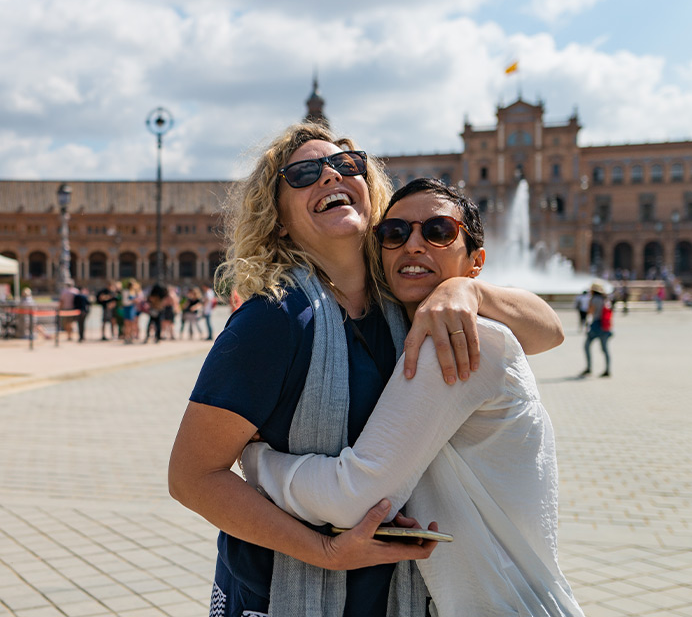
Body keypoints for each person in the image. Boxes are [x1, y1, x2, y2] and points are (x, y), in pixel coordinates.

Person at [168, 123, 564, 617]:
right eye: (304, 174)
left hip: (395, 595)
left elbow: (548, 331)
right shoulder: (273, 319)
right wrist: (323, 553)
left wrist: (469, 290)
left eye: (346, 165)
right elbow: (191, 477)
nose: (330, 174)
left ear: (371, 198)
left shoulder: (407, 309)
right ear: (279, 221)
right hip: (286, 590)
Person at [241, 178, 584, 616]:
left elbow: (353, 496)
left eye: (439, 231)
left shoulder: (459, 341)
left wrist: (256, 459)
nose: (414, 244)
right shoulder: (416, 334)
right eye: (394, 233)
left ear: (475, 261)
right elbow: (549, 332)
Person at [579, 280, 613, 378]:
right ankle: (607, 369)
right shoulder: (605, 299)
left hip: (596, 325)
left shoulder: (594, 299)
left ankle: (589, 368)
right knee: (605, 349)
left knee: (587, 346)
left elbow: (590, 312)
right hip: (605, 326)